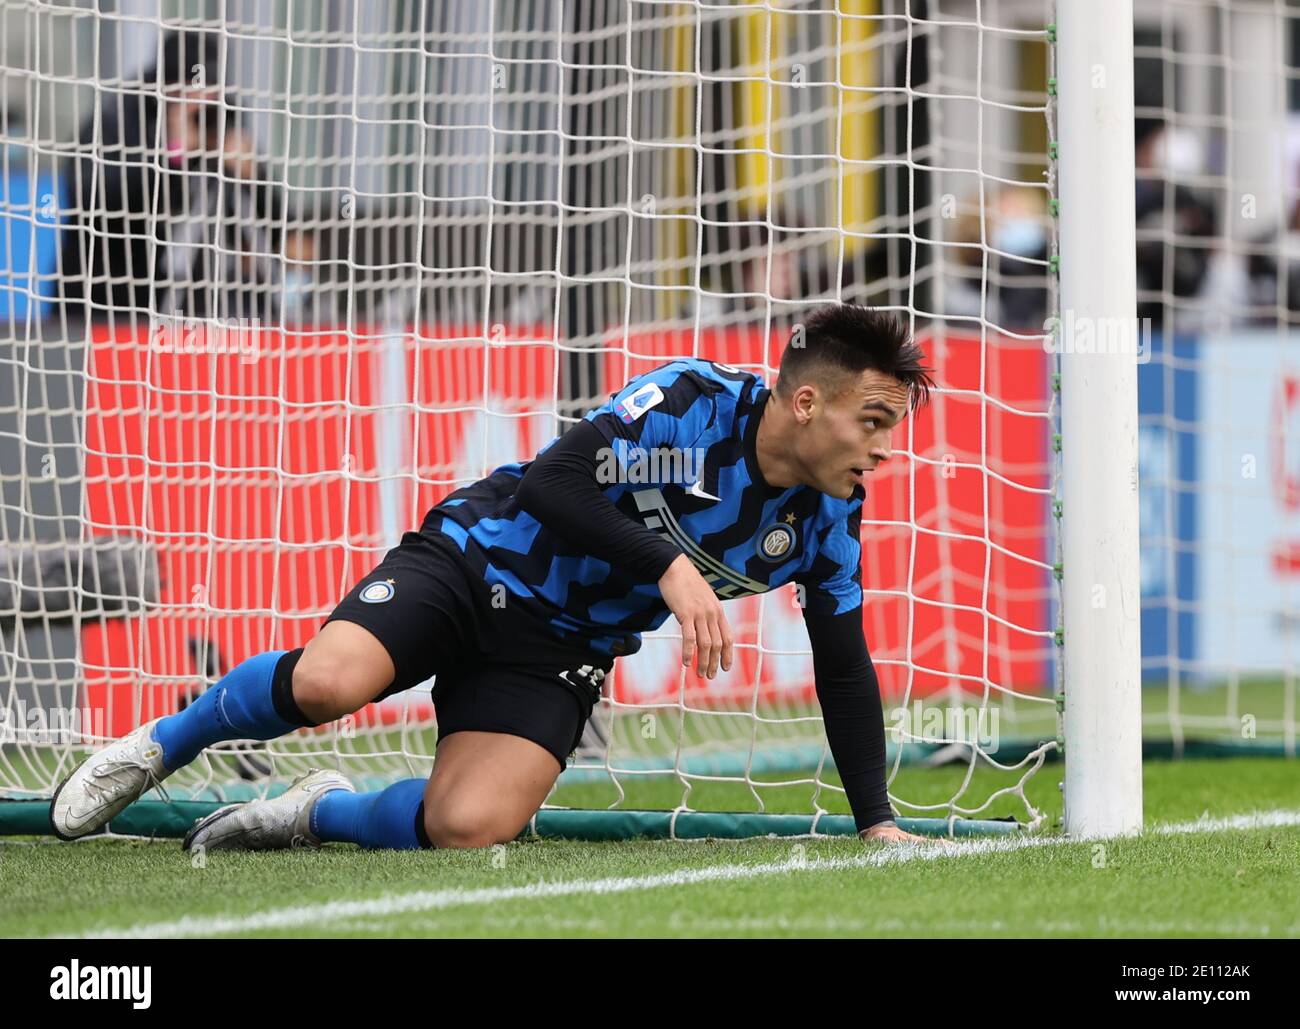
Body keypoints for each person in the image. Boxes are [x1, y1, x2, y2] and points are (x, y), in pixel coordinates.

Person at [50, 304, 935, 850]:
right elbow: (554, 480)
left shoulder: (827, 517)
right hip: (479, 560)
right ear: (808, 402)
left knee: (466, 827)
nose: (885, 448)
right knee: (326, 684)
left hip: (561, 645)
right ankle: (164, 743)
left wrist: (875, 818)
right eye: (873, 420)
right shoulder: (692, 403)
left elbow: (844, 662)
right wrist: (669, 566)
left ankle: (317, 811)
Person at [59, 30, 294, 321]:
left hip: (196, 307)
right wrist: (173, 156)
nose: (200, 100)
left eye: (210, 89)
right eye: (187, 90)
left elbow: (276, 230)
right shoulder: (117, 118)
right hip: (107, 300)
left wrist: (254, 176)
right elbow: (99, 209)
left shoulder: (221, 117)